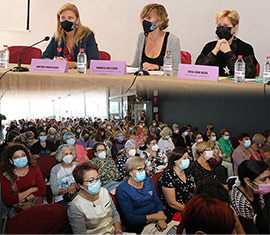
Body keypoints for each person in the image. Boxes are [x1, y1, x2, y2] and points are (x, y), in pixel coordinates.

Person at [196, 9, 257, 77]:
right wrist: (214, 52)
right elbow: (197, 71)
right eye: (219, 25)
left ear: (235, 28)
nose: (221, 29)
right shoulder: (209, 46)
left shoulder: (245, 48)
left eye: (225, 26)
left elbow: (249, 73)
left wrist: (228, 53)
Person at [67, 162, 122, 234]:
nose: (96, 182)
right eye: (91, 180)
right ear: (81, 185)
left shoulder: (104, 192)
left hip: (113, 231)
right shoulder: (76, 206)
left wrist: (119, 231)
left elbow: (114, 214)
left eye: (97, 178)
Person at [116, 157, 167, 233]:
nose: (143, 172)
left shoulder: (148, 181)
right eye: (139, 169)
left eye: (144, 169)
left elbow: (157, 201)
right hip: (139, 224)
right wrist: (154, 217)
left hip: (157, 217)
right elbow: (130, 218)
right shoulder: (122, 189)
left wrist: (160, 218)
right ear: (130, 172)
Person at [40, 2, 99, 68]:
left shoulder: (87, 35)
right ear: (59, 20)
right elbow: (43, 59)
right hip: (61, 77)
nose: (66, 21)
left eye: (70, 18)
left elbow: (94, 62)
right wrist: (55, 62)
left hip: (81, 76)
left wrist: (73, 65)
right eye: (63, 18)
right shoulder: (57, 36)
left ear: (77, 20)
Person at [130, 3, 181, 72]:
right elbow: (135, 66)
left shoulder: (172, 40)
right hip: (142, 81)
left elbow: (176, 71)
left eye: (149, 18)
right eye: (143, 18)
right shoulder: (142, 37)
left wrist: (158, 68)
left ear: (160, 21)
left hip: (162, 82)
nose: (144, 21)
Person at [1, 143, 46, 212]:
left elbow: (42, 190)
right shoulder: (6, 177)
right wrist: (31, 189)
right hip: (16, 207)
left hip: (36, 202)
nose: (21, 159)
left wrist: (25, 199)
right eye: (16, 157)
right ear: (11, 161)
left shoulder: (35, 169)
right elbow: (8, 200)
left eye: (23, 155)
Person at [229, 160, 270, 234]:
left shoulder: (256, 190)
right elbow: (250, 231)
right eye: (263, 180)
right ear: (248, 181)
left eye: (268, 178)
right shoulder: (240, 202)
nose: (268, 182)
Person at [158, 147, 195, 223]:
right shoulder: (167, 176)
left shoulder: (188, 173)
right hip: (175, 210)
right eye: (184, 158)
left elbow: (194, 191)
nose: (187, 160)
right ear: (176, 161)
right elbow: (172, 203)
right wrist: (190, 211)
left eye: (188, 158)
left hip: (189, 206)